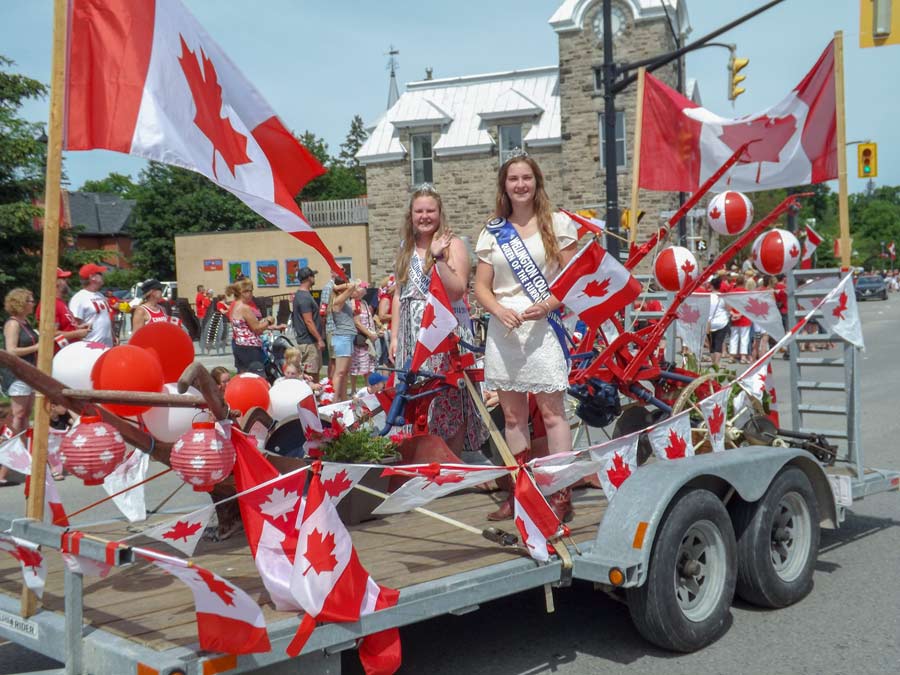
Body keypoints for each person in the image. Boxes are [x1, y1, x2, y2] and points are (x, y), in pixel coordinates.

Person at [474, 154, 578, 521]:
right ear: (504, 185)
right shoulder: (493, 231)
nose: (520, 185)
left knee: (552, 414)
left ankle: (561, 493)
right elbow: (481, 287)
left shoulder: (557, 223)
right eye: (513, 179)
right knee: (513, 417)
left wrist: (547, 304)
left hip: (543, 326)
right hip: (505, 330)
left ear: (537, 182)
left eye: (526, 178)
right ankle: (522, 492)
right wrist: (498, 310)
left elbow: (571, 279)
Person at [390, 185, 487, 460]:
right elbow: (399, 294)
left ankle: (450, 462)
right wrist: (394, 336)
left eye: (430, 211)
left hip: (443, 331)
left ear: (439, 213)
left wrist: (439, 258)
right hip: (411, 336)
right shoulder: (406, 248)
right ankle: (424, 460)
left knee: (448, 398)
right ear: (411, 215)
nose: (424, 216)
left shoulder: (453, 244)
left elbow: (457, 290)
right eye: (419, 211)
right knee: (417, 399)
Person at [1, 289, 39, 486]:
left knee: (24, 418)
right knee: (18, 418)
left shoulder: (25, 323)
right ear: (21, 303)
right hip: (17, 375)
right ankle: (5, 466)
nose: (33, 303)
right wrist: (37, 347)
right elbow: (11, 350)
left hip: (28, 373)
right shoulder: (13, 324)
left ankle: (20, 461)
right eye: (30, 300)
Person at [228, 279, 283, 375]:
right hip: (250, 348)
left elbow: (246, 326)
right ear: (242, 292)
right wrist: (269, 321)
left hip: (239, 346)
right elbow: (257, 328)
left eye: (251, 291)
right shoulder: (244, 308)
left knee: (243, 375)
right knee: (257, 376)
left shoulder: (234, 305)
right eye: (248, 291)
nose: (251, 294)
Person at [35, 268, 90, 353]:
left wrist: (78, 328)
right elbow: (51, 333)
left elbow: (64, 327)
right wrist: (77, 333)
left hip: (69, 352)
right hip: (58, 355)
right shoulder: (49, 304)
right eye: (63, 279)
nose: (67, 281)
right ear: (55, 282)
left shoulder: (60, 302)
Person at [291, 267, 325, 377]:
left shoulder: (302, 295)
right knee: (311, 376)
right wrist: (319, 339)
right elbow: (308, 321)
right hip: (309, 343)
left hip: (308, 341)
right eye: (313, 276)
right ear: (309, 278)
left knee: (313, 374)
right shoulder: (304, 297)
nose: (314, 278)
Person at [69, 263, 114, 347]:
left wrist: (113, 336)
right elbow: (74, 326)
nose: (103, 276)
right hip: (90, 347)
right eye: (100, 274)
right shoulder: (79, 298)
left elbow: (105, 319)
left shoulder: (100, 295)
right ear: (92, 277)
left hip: (106, 347)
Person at [350, 281, 379, 391]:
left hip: (368, 339)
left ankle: (368, 389)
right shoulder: (354, 303)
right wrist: (369, 334)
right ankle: (353, 390)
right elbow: (357, 323)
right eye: (362, 287)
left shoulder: (364, 302)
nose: (365, 289)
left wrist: (374, 332)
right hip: (361, 338)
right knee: (356, 366)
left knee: (368, 367)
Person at [707, 276, 730, 368]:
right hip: (721, 322)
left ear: (711, 286)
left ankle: (713, 363)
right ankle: (717, 363)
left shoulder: (707, 297)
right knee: (719, 342)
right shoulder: (722, 297)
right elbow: (728, 308)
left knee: (711, 344)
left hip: (709, 323)